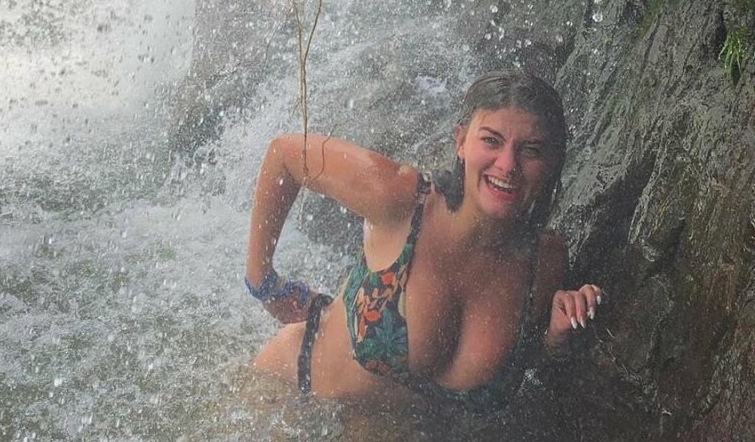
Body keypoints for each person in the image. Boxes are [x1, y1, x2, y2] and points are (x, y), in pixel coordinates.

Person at [245, 70, 602, 410]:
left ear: (552, 162)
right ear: (461, 142)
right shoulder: (403, 199)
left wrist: (554, 339)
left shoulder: (544, 261)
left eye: (531, 150)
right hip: (289, 397)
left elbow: (524, 362)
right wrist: (265, 283)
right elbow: (285, 155)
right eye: (491, 141)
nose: (508, 164)